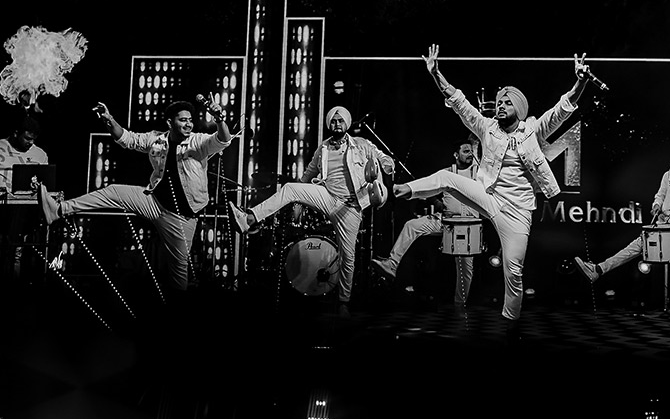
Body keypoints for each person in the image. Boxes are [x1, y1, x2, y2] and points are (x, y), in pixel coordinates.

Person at [392, 44, 592, 338]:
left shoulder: (533, 130)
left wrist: (580, 82)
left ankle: (511, 324)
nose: (500, 106)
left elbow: (562, 109)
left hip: (518, 210)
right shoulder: (487, 128)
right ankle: (407, 189)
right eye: (499, 102)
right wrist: (436, 74)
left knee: (513, 271)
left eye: (506, 103)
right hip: (490, 196)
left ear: (518, 108)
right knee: (447, 177)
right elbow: (459, 103)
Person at [38, 98, 234, 293]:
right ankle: (58, 210)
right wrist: (109, 119)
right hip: (154, 202)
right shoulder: (157, 139)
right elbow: (126, 138)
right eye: (183, 120)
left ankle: (176, 309)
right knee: (114, 191)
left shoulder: (198, 141)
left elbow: (223, 139)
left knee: (178, 277)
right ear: (170, 122)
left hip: (182, 218)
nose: (188, 124)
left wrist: (219, 119)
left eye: (190, 120)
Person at [228, 106, 394, 311]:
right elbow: (308, 175)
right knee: (290, 188)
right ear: (329, 124)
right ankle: (249, 219)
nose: (337, 124)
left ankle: (343, 303)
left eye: (340, 121)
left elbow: (383, 157)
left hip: (350, 207)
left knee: (348, 257)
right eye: (333, 121)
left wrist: (387, 165)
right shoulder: (323, 148)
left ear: (347, 123)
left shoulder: (361, 144)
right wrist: (297, 202)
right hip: (328, 197)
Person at [573, 137, 670, 326]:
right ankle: (598, 269)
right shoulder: (668, 175)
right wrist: (656, 205)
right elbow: (660, 195)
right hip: (665, 224)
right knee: (635, 247)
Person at [371, 139, 480, 309]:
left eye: (471, 152)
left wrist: (475, 145)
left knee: (465, 269)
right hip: (445, 222)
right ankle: (392, 264)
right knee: (411, 226)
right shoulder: (447, 172)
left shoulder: (478, 173)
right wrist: (409, 192)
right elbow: (429, 187)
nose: (470, 155)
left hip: (468, 227)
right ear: (455, 154)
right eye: (466, 151)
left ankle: (460, 305)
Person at [1, 115, 50, 284]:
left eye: (33, 139)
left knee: (16, 251)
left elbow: (45, 182)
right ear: (16, 133)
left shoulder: (40, 155)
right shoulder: (1, 146)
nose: (31, 143)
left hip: (23, 212)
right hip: (2, 207)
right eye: (27, 138)